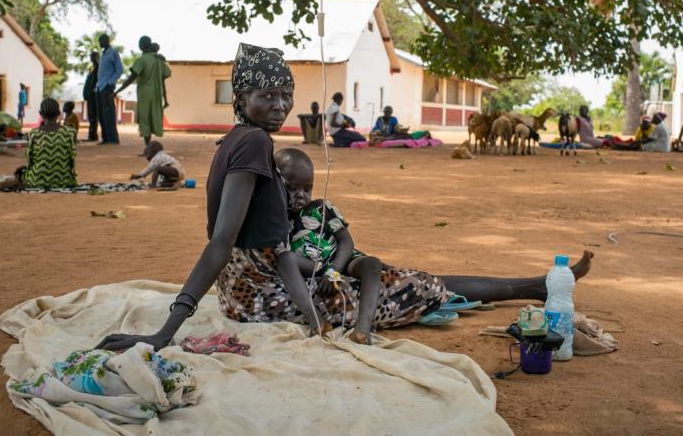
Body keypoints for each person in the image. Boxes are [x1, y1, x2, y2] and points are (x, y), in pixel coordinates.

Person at [97, 42, 595, 353]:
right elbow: (220, 242)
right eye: (265, 96)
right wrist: (165, 332)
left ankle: (534, 285)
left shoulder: (235, 139)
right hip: (267, 299)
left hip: (244, 293)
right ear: (240, 99)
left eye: (284, 93)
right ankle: (537, 286)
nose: (279, 104)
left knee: (396, 274)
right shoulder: (253, 143)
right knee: (419, 282)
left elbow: (244, 240)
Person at [276, 147, 384, 344]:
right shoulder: (277, 221)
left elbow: (346, 241)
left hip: (342, 262)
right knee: (285, 259)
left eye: (307, 189)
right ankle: (316, 320)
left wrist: (334, 271)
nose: (300, 195)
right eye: (292, 188)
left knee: (373, 264)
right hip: (312, 267)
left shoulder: (321, 208)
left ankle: (362, 328)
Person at [116, 36, 171, 146]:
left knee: (145, 119)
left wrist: (117, 91)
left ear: (141, 46)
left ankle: (148, 146)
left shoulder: (142, 60)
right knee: (153, 117)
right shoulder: (158, 60)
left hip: (145, 92)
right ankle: (150, 146)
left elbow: (131, 78)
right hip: (156, 93)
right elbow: (167, 73)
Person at [16, 98, 77, 189]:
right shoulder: (70, 131)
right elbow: (71, 159)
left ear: (40, 114)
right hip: (65, 181)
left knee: (20, 172)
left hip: (36, 181)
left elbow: (30, 160)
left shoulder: (33, 134)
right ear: (59, 113)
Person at [97, 33, 123, 144]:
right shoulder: (102, 55)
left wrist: (110, 82)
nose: (100, 43)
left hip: (107, 87)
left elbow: (119, 70)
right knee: (101, 114)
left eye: (101, 41)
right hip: (99, 87)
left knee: (109, 113)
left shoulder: (113, 53)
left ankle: (113, 138)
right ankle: (105, 137)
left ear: (107, 41)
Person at [83, 51, 100, 142]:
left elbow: (95, 82)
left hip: (93, 95)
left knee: (93, 116)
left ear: (97, 57)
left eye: (93, 56)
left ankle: (93, 136)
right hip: (89, 95)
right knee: (91, 116)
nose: (91, 57)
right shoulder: (92, 68)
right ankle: (91, 135)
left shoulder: (98, 68)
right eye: (91, 55)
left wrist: (93, 91)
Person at [151, 42, 169, 109]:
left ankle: (166, 102)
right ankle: (166, 102)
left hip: (160, 73)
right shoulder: (159, 56)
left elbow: (164, 60)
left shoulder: (158, 56)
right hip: (160, 73)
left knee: (162, 87)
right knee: (163, 86)